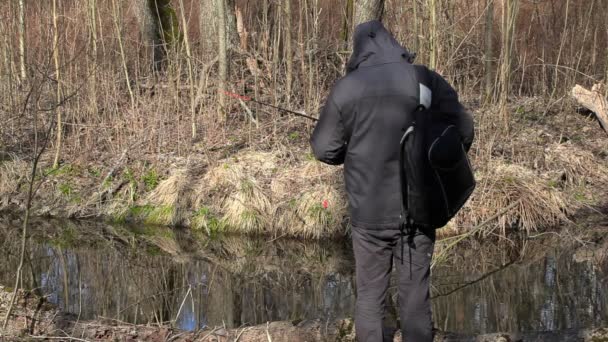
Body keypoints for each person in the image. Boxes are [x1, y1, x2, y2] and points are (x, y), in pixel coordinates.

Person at [310, 21, 474, 342]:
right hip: (418, 208)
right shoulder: (424, 79)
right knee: (415, 296)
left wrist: (352, 147)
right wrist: (432, 151)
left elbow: (324, 148)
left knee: (370, 297)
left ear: (359, 51)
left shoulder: (347, 88)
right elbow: (464, 131)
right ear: (392, 43)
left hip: (368, 214)